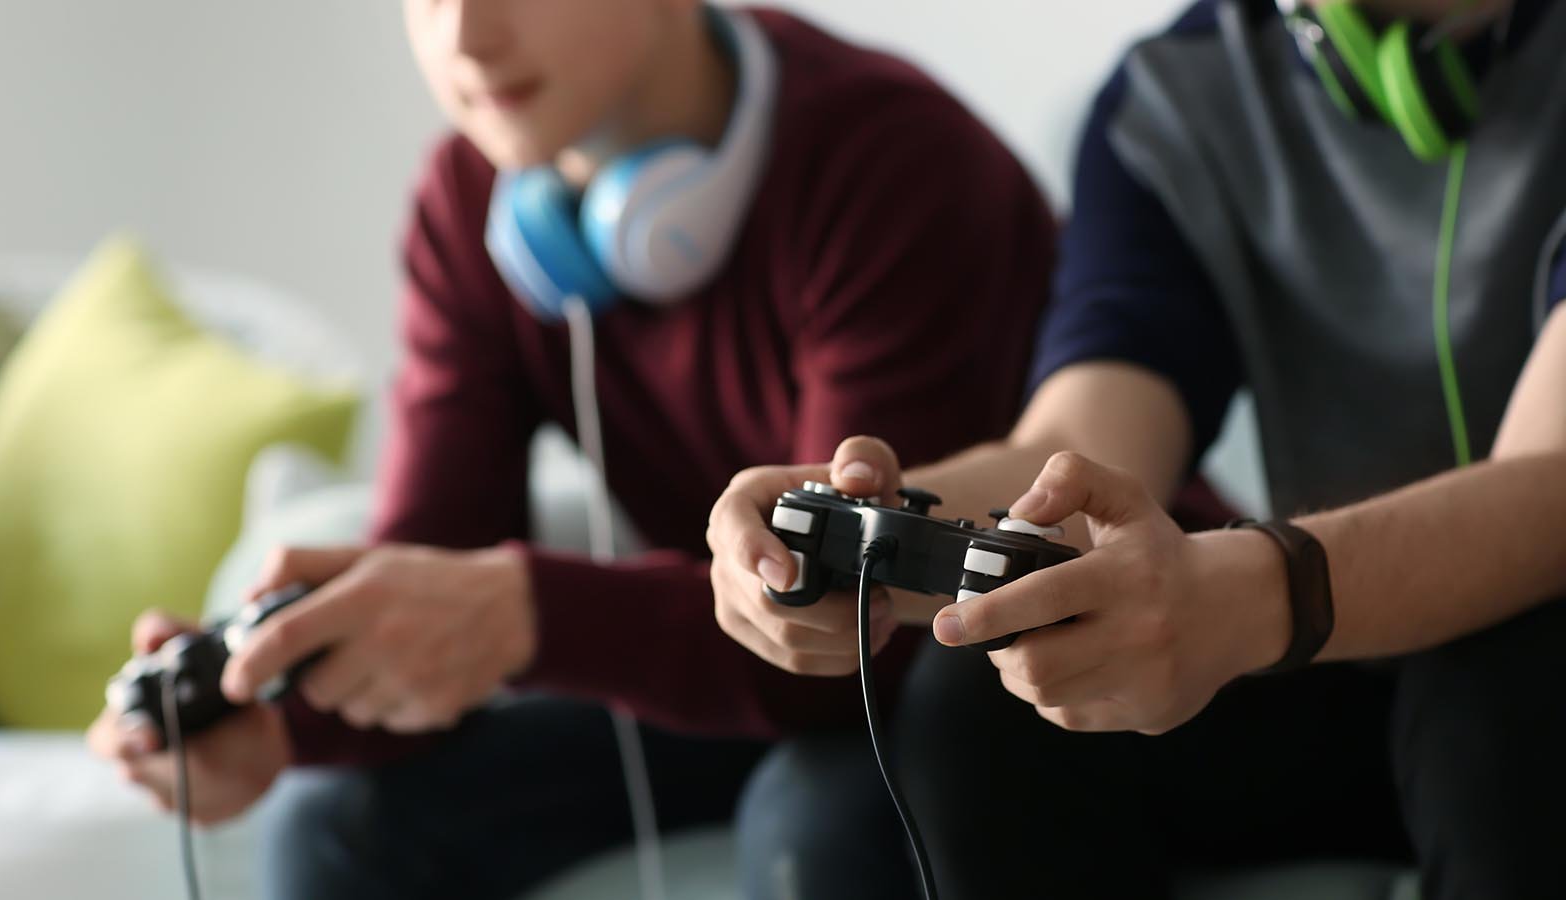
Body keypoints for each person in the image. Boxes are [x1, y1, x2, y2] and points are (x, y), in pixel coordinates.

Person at [86, 1, 1066, 897]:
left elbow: (863, 630)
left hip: (969, 691)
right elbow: (429, 563)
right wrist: (271, 712)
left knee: (818, 822)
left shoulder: (889, 158)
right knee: (337, 824)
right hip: (728, 666)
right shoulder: (468, 205)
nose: (464, 37)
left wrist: (525, 614)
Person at [707, 0, 1566, 897]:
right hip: (1340, 674)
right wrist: (867, 533)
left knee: (1500, 692)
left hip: (1514, 678)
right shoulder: (1174, 91)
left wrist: (1252, 592)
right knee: (984, 710)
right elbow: (1077, 450)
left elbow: (1554, 490)